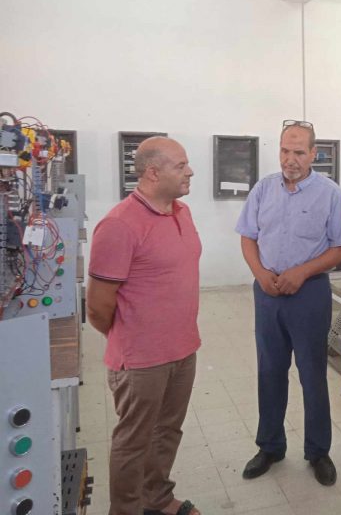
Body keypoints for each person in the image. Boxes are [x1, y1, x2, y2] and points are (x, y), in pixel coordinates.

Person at [87, 137, 202, 515]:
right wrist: (131, 336)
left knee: (167, 430)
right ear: (153, 173)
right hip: (140, 359)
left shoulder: (182, 212)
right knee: (134, 440)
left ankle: (157, 498)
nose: (190, 172)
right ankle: (125, 509)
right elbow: (97, 307)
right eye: (181, 166)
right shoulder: (119, 225)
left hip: (183, 348)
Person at [236, 120, 341, 486]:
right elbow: (248, 237)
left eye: (299, 152)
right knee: (270, 371)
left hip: (309, 295)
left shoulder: (329, 193)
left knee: (312, 374)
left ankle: (318, 451)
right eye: (285, 151)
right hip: (267, 293)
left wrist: (302, 272)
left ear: (314, 154)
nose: (290, 159)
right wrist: (259, 274)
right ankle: (270, 446)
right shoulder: (263, 189)